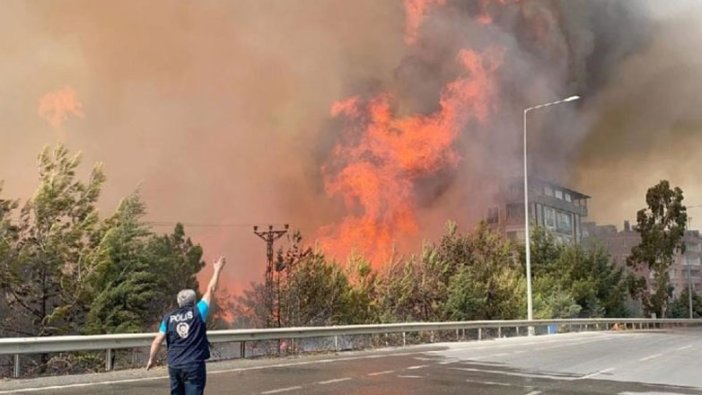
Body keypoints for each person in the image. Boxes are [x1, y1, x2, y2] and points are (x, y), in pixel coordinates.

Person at [147, 256, 226, 395]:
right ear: (194, 300)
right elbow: (211, 290)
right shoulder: (198, 311)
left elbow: (157, 341)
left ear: (178, 302)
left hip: (174, 366)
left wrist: (152, 359)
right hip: (193, 365)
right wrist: (217, 270)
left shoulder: (168, 317)